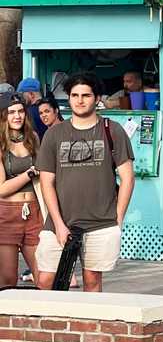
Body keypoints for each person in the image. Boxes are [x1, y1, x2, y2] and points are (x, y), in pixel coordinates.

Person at [35, 72, 135, 292]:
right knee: (45, 281)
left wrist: (118, 217)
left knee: (92, 281)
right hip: (59, 222)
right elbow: (46, 183)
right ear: (68, 99)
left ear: (97, 98)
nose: (80, 100)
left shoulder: (113, 130)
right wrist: (59, 224)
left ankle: (88, 326)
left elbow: (128, 177)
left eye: (86, 95)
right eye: (74, 95)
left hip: (100, 222)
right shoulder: (54, 134)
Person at [0, 94, 43, 287]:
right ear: (3, 116)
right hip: (7, 213)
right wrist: (29, 174)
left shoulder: (32, 137)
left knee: (43, 276)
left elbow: (44, 175)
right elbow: (1, 189)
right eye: (11, 112)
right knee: (8, 279)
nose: (17, 116)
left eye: (20, 111)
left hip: (34, 211)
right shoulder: (1, 144)